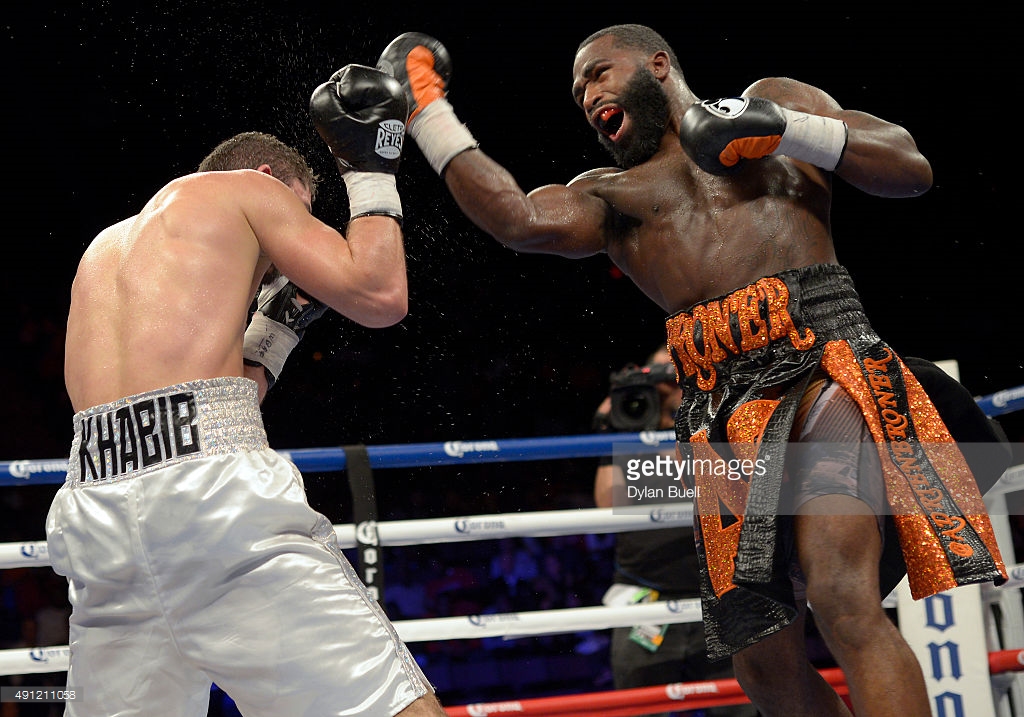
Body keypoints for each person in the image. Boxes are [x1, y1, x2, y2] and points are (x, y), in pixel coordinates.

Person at [373, 26, 1007, 716]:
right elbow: (516, 219)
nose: (586, 93)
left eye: (598, 72)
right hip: (724, 413)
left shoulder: (773, 101)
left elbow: (910, 168)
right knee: (762, 663)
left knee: (841, 596)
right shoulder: (612, 195)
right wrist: (426, 109)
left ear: (657, 64)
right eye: (578, 89)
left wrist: (785, 129)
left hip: (824, 369)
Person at [45, 64, 446, 716]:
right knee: (393, 706)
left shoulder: (106, 249)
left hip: (95, 522)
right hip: (212, 509)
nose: (284, 265)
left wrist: (274, 332)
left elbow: (186, 411)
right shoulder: (249, 192)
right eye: (298, 218)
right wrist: (370, 169)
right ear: (266, 179)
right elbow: (380, 293)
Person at [594, 346, 758, 717]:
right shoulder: (631, 432)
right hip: (647, 600)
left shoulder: (724, 418)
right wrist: (612, 429)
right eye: (656, 376)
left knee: (740, 707)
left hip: (723, 597)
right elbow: (608, 507)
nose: (666, 384)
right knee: (639, 710)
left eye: (674, 375)